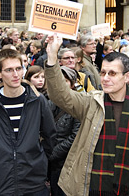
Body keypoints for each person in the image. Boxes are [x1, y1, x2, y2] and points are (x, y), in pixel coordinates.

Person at [45, 34, 129, 195]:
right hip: (90, 188)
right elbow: (61, 96)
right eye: (102, 73)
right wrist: (52, 57)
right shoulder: (91, 102)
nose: (105, 78)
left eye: (112, 74)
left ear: (127, 77)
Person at [0, 49, 56, 195]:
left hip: (33, 183)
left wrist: (40, 163)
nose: (16, 75)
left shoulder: (37, 100)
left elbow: (50, 137)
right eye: (9, 70)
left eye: (18, 69)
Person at [49, 66, 81, 196]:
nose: (61, 84)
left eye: (65, 81)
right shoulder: (47, 101)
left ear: (72, 84)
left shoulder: (79, 104)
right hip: (50, 163)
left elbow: (75, 136)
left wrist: (53, 153)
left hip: (67, 164)